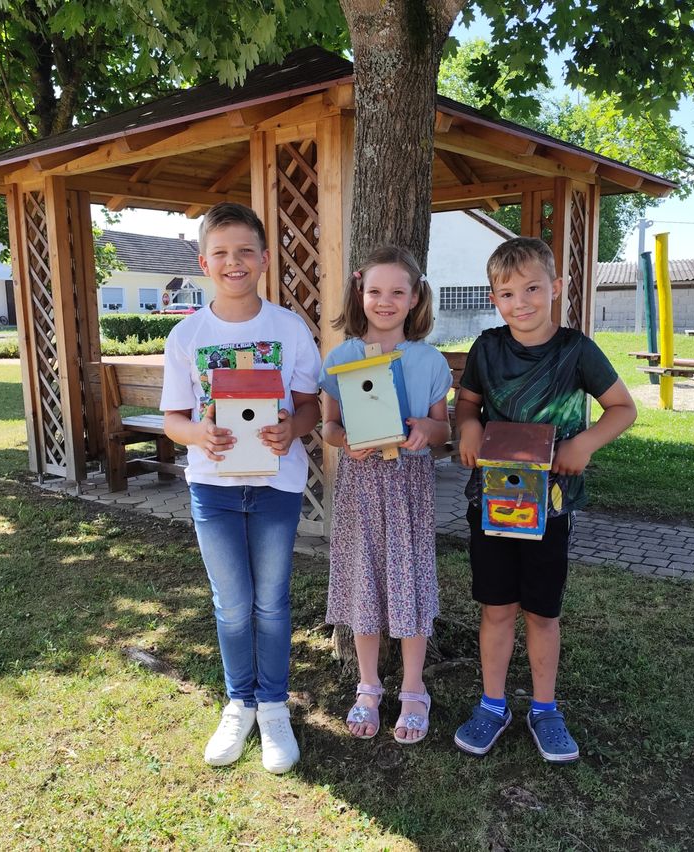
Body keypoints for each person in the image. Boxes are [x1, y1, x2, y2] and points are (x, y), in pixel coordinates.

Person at [453, 236, 636, 763]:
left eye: (532, 288)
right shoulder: (487, 349)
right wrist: (465, 427)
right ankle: (492, 705)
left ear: (556, 288)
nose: (521, 302)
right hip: (490, 502)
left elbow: (622, 408)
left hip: (551, 507)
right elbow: (466, 404)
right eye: (507, 293)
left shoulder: (577, 350)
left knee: (541, 612)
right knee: (496, 608)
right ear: (494, 299)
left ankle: (544, 708)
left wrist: (584, 443)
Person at [160, 202, 321, 774]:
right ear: (204, 262)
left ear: (264, 260)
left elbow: (309, 408)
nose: (235, 262)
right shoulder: (187, 335)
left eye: (246, 251)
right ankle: (239, 704)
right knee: (231, 606)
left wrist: (291, 430)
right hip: (214, 489)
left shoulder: (288, 328)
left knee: (271, 603)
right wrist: (198, 433)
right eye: (222, 253)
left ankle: (274, 707)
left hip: (276, 485)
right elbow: (173, 418)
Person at [320, 246, 452, 744]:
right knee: (365, 582)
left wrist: (426, 430)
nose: (386, 301)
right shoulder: (341, 358)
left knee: (409, 581)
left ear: (415, 297)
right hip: (360, 489)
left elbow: (445, 428)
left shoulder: (429, 361)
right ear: (361, 292)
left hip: (410, 491)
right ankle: (369, 686)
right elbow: (330, 427)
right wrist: (345, 441)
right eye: (376, 291)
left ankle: (415, 688)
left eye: (398, 291)